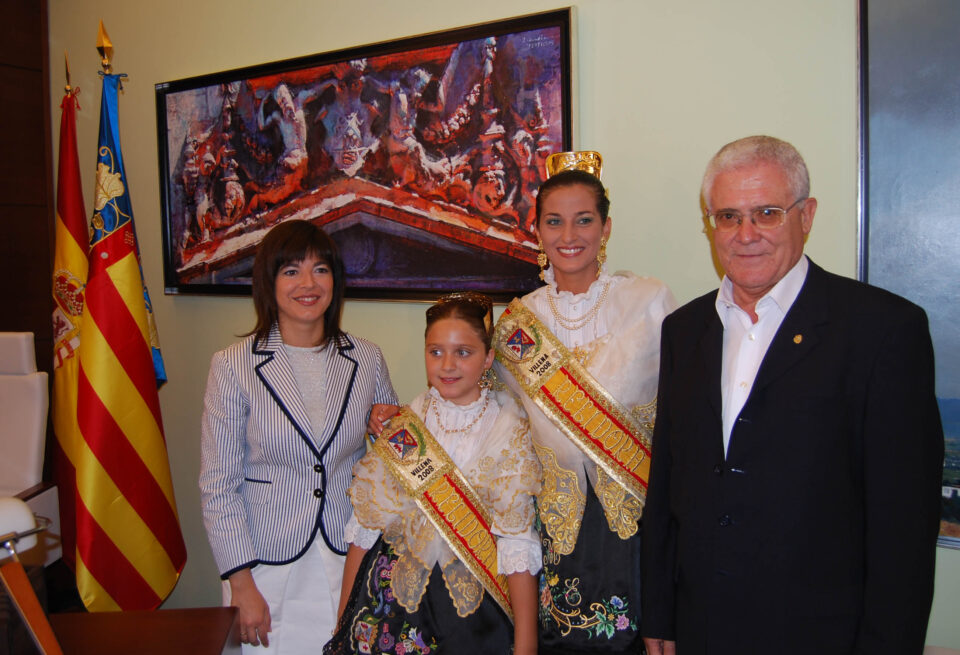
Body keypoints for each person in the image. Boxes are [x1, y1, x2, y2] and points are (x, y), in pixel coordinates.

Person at [641, 135, 944, 655]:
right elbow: (668, 486)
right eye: (728, 216)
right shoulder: (684, 329)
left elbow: (904, 529)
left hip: (822, 633)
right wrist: (660, 614)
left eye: (767, 212)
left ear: (807, 215)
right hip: (702, 629)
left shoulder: (883, 330)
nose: (745, 234)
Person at [492, 152, 677, 653]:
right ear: (537, 231)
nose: (568, 234)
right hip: (556, 528)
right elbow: (499, 425)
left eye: (583, 220)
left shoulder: (649, 301)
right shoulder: (515, 325)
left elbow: (685, 410)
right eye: (554, 221)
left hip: (636, 522)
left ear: (606, 227)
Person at [200, 219, 398, 653]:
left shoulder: (366, 358)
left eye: (320, 270)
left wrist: (391, 425)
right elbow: (218, 487)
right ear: (268, 282)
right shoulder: (233, 365)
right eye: (291, 270)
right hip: (266, 566)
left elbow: (391, 465)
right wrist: (241, 583)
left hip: (350, 558)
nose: (308, 284)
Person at [326, 292, 541, 655]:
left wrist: (526, 645)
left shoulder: (508, 426)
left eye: (464, 352)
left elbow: (517, 543)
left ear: (488, 357)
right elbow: (364, 530)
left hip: (475, 615)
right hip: (396, 610)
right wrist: (342, 624)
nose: (447, 365)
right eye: (435, 351)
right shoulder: (409, 420)